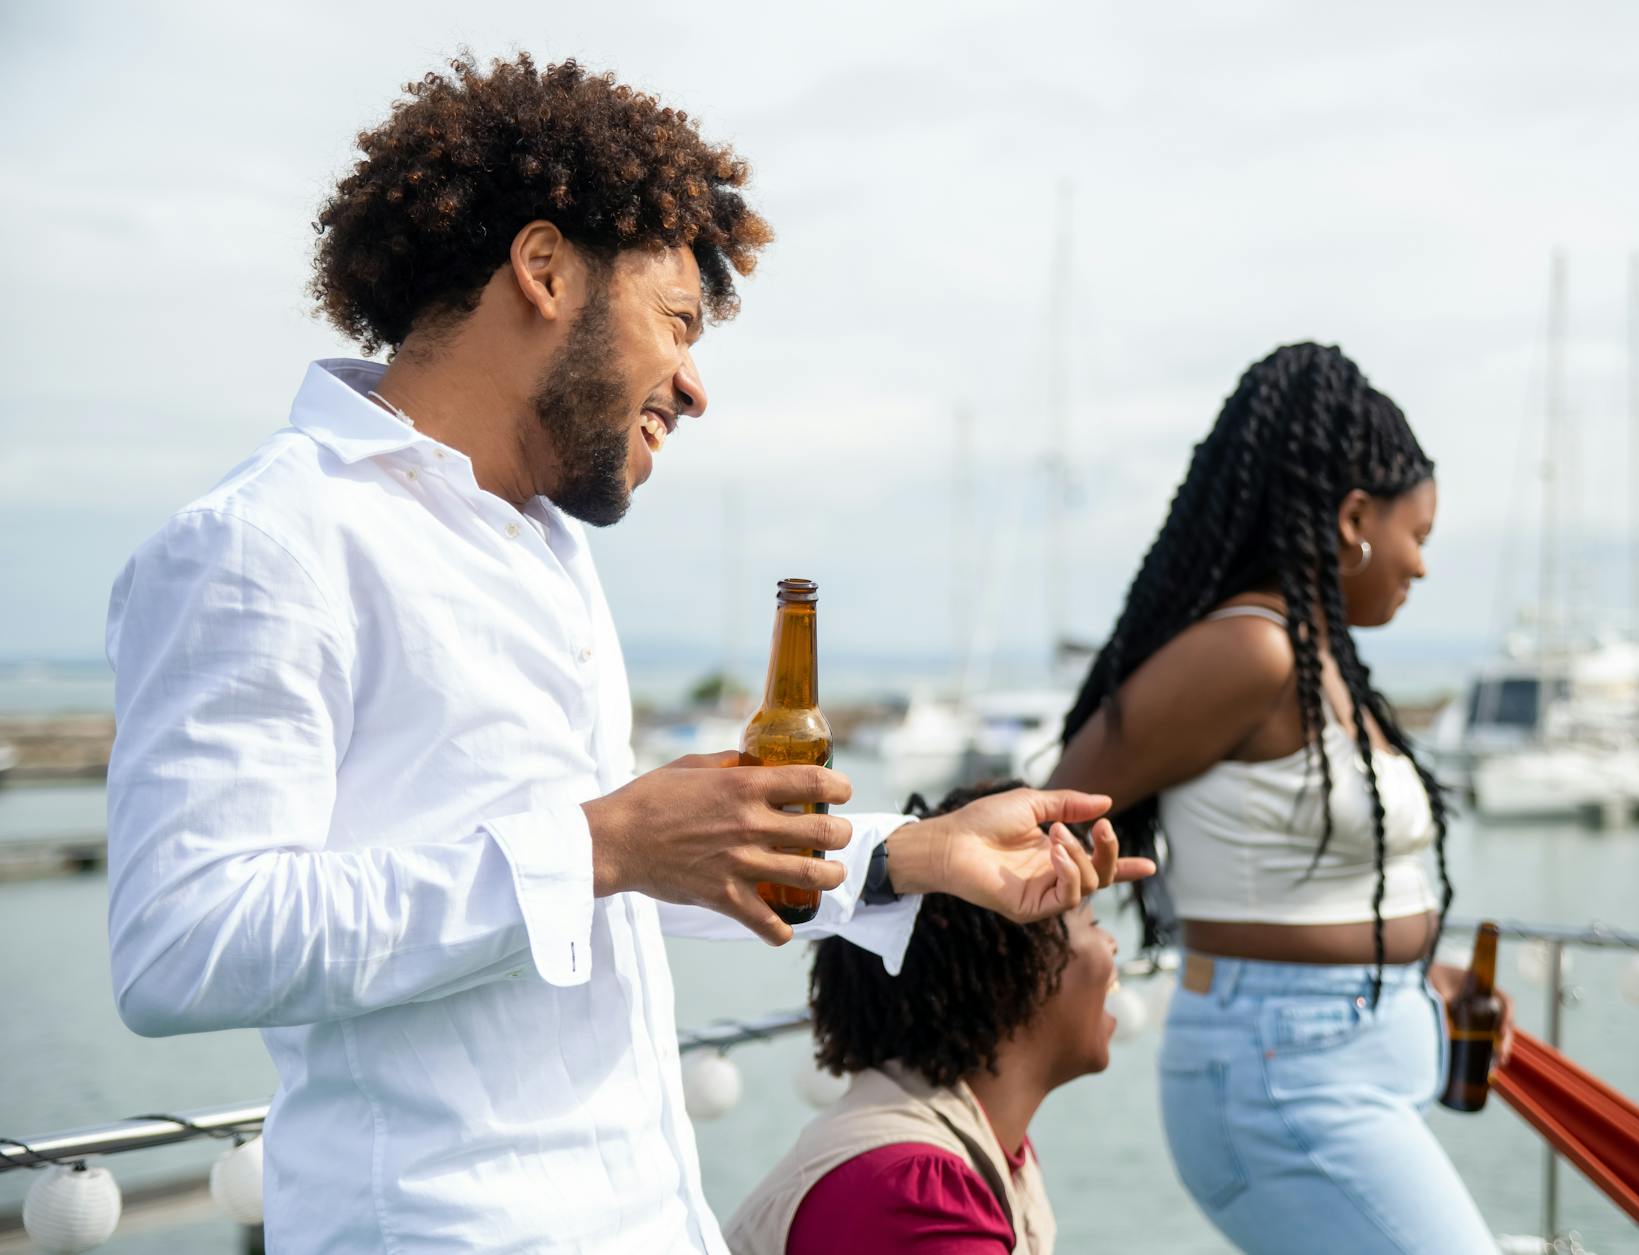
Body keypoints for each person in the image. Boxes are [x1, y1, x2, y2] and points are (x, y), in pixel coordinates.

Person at [103, 55, 1148, 1254]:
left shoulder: (543, 548)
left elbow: (623, 881)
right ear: (542, 269)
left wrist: (915, 856)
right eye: (679, 323)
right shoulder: (266, 539)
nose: (697, 386)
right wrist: (602, 845)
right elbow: (182, 942)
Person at [1048, 343, 1511, 1253]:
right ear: (1352, 520)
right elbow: (1047, 812)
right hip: (1281, 1076)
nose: (1421, 567)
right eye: (1418, 537)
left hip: (1341, 1056)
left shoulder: (1324, 658)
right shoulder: (1253, 652)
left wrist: (1415, 980)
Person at [726, 780, 1122, 1255]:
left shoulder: (970, 1146)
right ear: (1010, 976)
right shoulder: (919, 1195)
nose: (1113, 945)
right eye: (1094, 923)